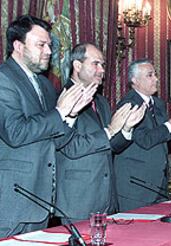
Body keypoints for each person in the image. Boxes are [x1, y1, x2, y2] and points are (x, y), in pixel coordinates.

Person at [0, 15, 96, 244]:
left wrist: (71, 115)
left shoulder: (45, 86)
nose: (48, 51)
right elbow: (15, 133)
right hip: (4, 203)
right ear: (18, 46)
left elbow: (56, 142)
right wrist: (59, 113)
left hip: (37, 202)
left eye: (49, 45)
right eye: (41, 45)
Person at [55, 43, 146, 222]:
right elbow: (70, 147)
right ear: (77, 66)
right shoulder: (62, 98)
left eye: (103, 65)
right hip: (78, 200)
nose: (102, 70)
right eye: (95, 64)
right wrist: (110, 129)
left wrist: (126, 129)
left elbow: (110, 146)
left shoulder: (101, 102)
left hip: (106, 198)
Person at [114, 58, 171, 211]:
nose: (156, 79)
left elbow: (169, 137)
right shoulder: (129, 104)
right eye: (150, 75)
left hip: (158, 183)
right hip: (135, 186)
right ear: (134, 80)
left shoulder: (157, 103)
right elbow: (145, 140)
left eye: (155, 74)